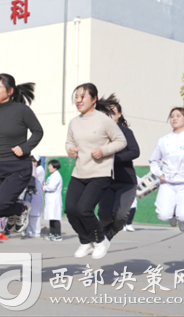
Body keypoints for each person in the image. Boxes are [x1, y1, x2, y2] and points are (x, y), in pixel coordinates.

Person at [65, 83, 127, 260]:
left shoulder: (104, 120)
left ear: (94, 99)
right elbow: (69, 142)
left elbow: (121, 141)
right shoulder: (74, 122)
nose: (78, 100)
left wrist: (103, 150)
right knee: (70, 209)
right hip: (79, 172)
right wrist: (70, 149)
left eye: (82, 96)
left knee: (84, 209)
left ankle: (101, 240)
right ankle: (86, 241)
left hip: (100, 172)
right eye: (76, 97)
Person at [0, 74, 43, 235]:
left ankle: (21, 208)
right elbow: (0, 134)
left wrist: (25, 148)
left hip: (18, 167)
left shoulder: (22, 110)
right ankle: (15, 210)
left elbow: (38, 131)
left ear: (10, 91)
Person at [149, 107, 184, 232]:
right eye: (172, 116)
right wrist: (159, 174)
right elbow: (153, 161)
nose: (174, 118)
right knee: (163, 216)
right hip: (168, 183)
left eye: (178, 116)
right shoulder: (163, 140)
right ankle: (172, 215)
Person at [97, 95, 140, 241]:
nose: (108, 116)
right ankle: (104, 233)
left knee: (120, 216)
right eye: (106, 113)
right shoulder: (99, 133)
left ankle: (110, 233)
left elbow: (135, 152)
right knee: (104, 216)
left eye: (112, 112)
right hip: (106, 181)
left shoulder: (126, 132)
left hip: (126, 182)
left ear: (119, 115)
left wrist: (113, 159)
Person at [22, 153, 44, 239]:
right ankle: (30, 231)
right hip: (33, 193)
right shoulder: (36, 168)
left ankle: (36, 232)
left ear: (36, 161)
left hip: (37, 193)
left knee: (35, 215)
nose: (31, 163)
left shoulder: (39, 169)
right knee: (31, 213)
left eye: (33, 161)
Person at [43, 159, 63, 241]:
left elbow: (52, 187)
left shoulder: (56, 176)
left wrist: (44, 187)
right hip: (51, 199)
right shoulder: (53, 175)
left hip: (54, 200)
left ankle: (58, 235)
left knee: (55, 217)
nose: (49, 168)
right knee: (51, 217)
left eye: (50, 166)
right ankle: (52, 233)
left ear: (55, 167)